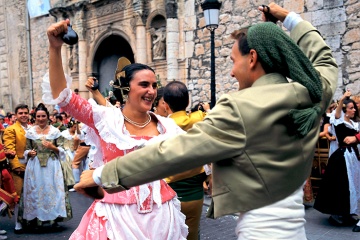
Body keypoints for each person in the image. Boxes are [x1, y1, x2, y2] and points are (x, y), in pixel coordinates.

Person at [75, 3, 339, 239]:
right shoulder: (312, 92)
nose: (233, 71)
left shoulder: (240, 109)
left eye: (234, 61)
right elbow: (325, 61)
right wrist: (290, 18)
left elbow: (175, 153)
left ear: (253, 58)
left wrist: (101, 175)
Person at [43, 23, 188, 239]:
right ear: (126, 88)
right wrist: (55, 48)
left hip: (161, 218)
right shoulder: (106, 119)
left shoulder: (167, 126)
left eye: (155, 86)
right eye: (145, 85)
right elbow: (63, 98)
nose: (151, 91)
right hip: (115, 217)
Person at [163, 80, 211, 240]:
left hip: (169, 193)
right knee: (192, 233)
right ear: (188, 102)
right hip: (194, 192)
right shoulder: (199, 119)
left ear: (165, 104)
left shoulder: (160, 126)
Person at [18, 103, 72, 230]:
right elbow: (26, 150)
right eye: (38, 116)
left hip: (52, 165)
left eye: (43, 116)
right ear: (35, 117)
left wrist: (52, 147)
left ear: (48, 117)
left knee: (52, 191)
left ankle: (53, 219)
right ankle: (36, 220)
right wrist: (29, 153)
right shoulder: (30, 132)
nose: (41, 119)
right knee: (35, 191)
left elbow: (63, 149)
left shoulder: (55, 131)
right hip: (35, 165)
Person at [314, 91, 360, 232]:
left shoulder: (354, 123)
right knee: (342, 185)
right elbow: (337, 113)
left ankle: (348, 212)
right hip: (342, 157)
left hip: (353, 157)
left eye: (354, 108)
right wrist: (342, 99)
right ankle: (338, 213)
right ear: (345, 110)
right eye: (351, 108)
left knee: (352, 183)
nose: (354, 110)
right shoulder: (338, 120)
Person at [2, 104, 29, 234]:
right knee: (18, 196)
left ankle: (29, 220)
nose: (23, 115)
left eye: (25, 113)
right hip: (19, 167)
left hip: (34, 167)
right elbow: (9, 149)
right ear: (16, 115)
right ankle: (18, 223)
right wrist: (16, 166)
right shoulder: (11, 129)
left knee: (31, 195)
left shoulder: (32, 128)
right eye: (20, 113)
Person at [60, 120, 79, 188]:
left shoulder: (77, 134)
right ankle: (69, 182)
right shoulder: (64, 133)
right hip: (66, 150)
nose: (75, 129)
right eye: (74, 127)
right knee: (66, 162)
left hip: (75, 151)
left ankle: (76, 181)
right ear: (71, 127)